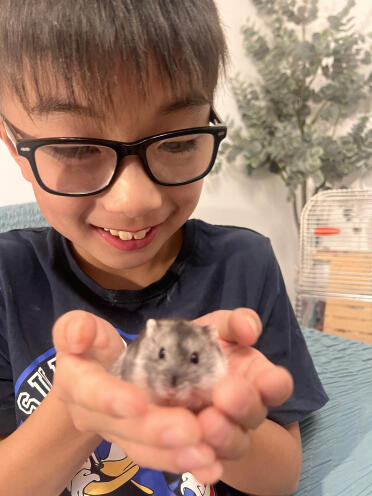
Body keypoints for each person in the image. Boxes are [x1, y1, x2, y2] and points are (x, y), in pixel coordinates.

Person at [0, 1, 328, 495]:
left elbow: (280, 477)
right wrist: (77, 409)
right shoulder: (7, 277)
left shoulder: (245, 264)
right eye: (75, 148)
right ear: (13, 145)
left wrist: (209, 405)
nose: (135, 201)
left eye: (176, 142)